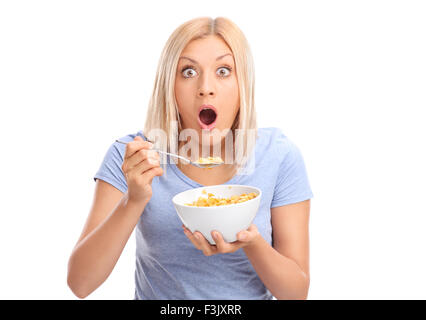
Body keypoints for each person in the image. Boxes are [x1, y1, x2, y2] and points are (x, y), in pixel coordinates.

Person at [67, 16, 314, 300]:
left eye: (223, 71)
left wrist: (251, 241)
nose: (205, 87)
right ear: (169, 86)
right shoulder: (133, 155)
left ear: (242, 84)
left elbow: (296, 293)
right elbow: (80, 283)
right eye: (187, 72)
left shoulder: (279, 155)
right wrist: (133, 199)